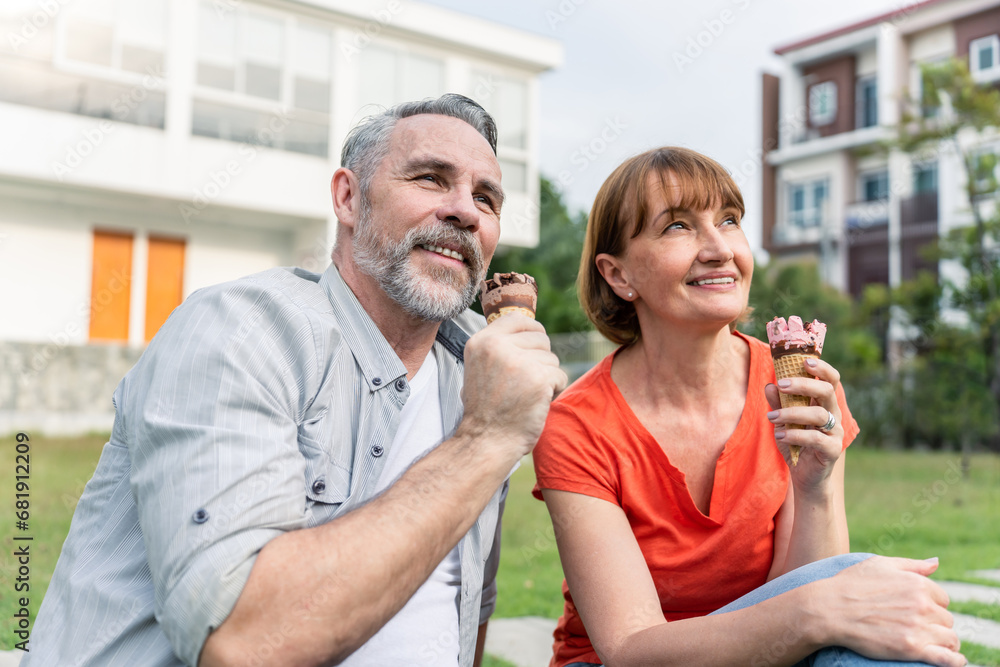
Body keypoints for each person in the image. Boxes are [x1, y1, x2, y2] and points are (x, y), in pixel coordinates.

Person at [25, 94, 567, 667]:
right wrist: (485, 440)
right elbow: (244, 643)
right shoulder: (238, 333)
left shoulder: (478, 371)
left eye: (487, 197)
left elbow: (466, 605)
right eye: (431, 179)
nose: (466, 211)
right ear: (348, 197)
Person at [531, 147, 965, 667]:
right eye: (677, 227)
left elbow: (808, 604)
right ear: (619, 275)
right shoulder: (576, 425)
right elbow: (630, 649)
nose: (719, 248)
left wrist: (816, 487)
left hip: (761, 652)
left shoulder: (803, 389)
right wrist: (819, 609)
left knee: (873, 645)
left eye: (730, 221)